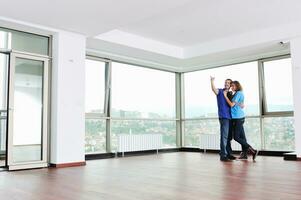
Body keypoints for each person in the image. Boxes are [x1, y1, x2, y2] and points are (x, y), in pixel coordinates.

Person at [223, 81, 258, 161]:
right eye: (231, 86)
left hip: (238, 118)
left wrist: (225, 96)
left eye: (233, 86)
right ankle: (245, 154)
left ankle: (253, 150)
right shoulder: (237, 93)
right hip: (238, 117)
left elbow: (232, 105)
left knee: (236, 137)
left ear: (237, 86)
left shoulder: (238, 93)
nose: (232, 87)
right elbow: (241, 105)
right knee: (242, 137)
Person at [210, 77, 236, 161]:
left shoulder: (231, 94)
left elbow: (233, 104)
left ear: (230, 85)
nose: (226, 84)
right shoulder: (220, 91)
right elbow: (214, 89)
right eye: (225, 82)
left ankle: (229, 154)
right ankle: (223, 155)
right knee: (224, 136)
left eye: (228, 83)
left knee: (229, 137)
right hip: (223, 117)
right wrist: (212, 81)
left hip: (230, 117)